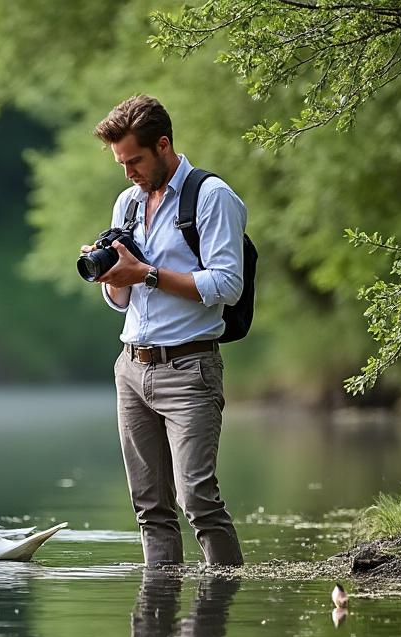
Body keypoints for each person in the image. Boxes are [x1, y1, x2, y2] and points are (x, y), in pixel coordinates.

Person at [84, 95, 245, 566]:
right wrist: (113, 279)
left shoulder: (212, 197)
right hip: (131, 368)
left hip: (190, 367)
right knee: (150, 508)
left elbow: (227, 284)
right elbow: (122, 301)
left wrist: (147, 273)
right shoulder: (127, 203)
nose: (128, 173)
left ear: (163, 145)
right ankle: (156, 626)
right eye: (121, 163)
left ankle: (219, 614)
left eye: (134, 160)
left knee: (198, 500)